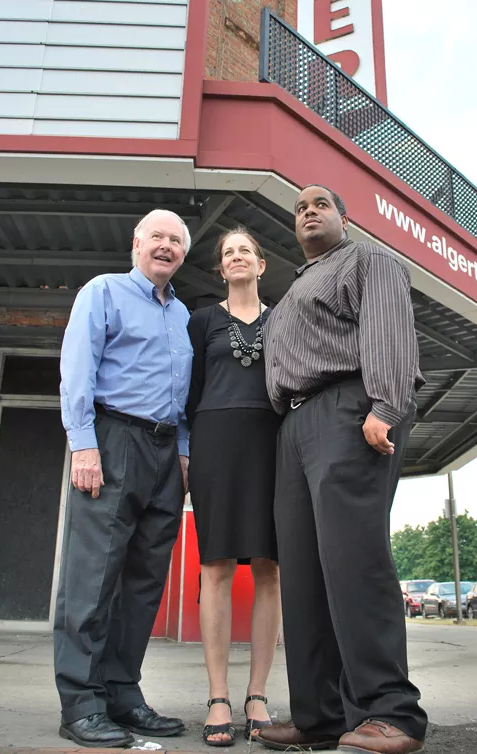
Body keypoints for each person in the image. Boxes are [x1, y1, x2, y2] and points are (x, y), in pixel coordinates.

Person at [259, 185, 428, 754]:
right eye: (300, 208)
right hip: (295, 425)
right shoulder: (290, 294)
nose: (308, 212)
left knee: (354, 562)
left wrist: (385, 404)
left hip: (349, 408)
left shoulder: (368, 259)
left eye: (320, 204)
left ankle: (392, 713)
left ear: (343, 218)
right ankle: (320, 717)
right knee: (304, 575)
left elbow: (387, 330)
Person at [55, 208, 193, 748]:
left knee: (143, 583)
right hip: (113, 441)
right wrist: (83, 444)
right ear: (136, 243)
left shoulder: (183, 316)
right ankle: (81, 704)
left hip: (166, 453)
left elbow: (184, 397)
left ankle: (122, 692)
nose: (165, 246)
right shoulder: (104, 291)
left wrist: (183, 456)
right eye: (156, 236)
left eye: (175, 241)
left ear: (183, 254)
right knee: (92, 579)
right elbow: (77, 370)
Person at [186, 227, 282, 747]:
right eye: (229, 253)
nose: (237, 257)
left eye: (246, 249)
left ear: (261, 265)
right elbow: (190, 390)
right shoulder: (201, 321)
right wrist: (185, 449)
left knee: (270, 568)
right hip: (215, 445)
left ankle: (258, 693)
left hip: (274, 447)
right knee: (216, 566)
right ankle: (219, 695)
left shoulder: (284, 318)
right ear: (221, 269)